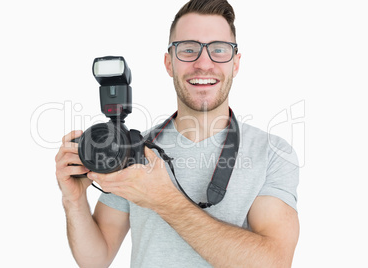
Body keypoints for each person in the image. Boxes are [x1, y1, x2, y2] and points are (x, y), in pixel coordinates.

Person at [55, 0, 300, 267]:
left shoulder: (272, 152)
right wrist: (74, 201)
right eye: (188, 50)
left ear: (236, 64)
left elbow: (274, 262)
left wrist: (164, 200)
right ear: (169, 63)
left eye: (219, 49)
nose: (203, 63)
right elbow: (96, 259)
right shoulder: (131, 148)